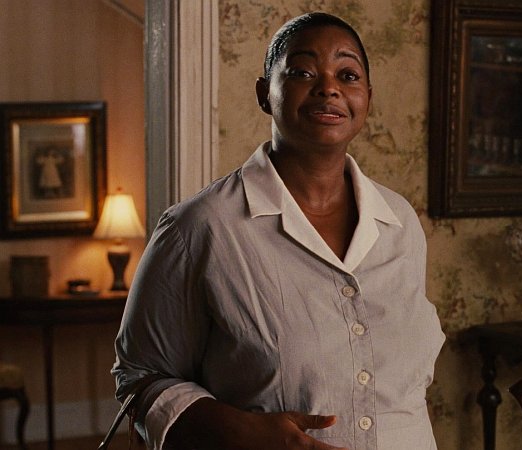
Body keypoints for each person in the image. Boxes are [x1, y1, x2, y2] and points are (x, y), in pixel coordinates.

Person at [111, 12, 445, 450]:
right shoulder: (200, 227)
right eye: (303, 72)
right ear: (264, 93)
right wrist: (241, 431)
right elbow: (139, 377)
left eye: (348, 76)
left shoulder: (399, 222)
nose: (329, 88)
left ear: (367, 97)